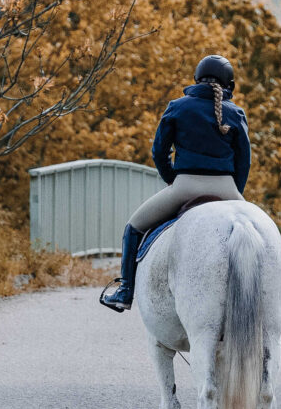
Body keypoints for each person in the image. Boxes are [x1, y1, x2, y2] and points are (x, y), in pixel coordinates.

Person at [99, 53, 251, 311]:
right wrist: (235, 193)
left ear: (196, 79)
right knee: (261, 230)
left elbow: (159, 152)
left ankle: (125, 291)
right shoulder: (236, 113)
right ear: (230, 85)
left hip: (185, 187)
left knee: (133, 227)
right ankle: (274, 294)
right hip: (227, 189)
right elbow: (244, 162)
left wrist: (173, 180)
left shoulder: (177, 107)